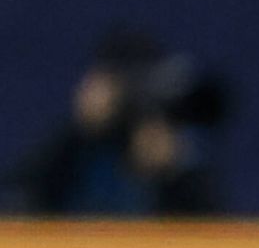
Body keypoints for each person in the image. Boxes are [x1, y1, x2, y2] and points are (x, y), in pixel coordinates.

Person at [7, 28, 224, 216]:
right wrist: (80, 130)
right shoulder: (78, 144)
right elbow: (20, 192)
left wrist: (172, 173)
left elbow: (213, 235)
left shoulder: (174, 157)